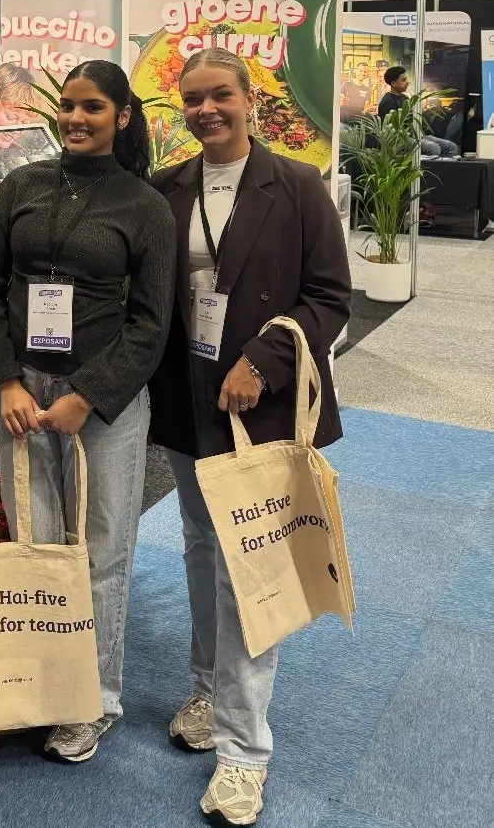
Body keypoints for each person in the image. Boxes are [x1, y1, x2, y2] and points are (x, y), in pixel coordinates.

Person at [149, 47, 351, 827]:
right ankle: (206, 688)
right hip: (186, 401)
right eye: (193, 100)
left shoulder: (298, 186)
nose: (207, 110)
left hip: (256, 407)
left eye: (221, 96)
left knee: (249, 568)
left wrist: (262, 362)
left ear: (251, 99)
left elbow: (332, 298)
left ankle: (244, 751)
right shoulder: (166, 188)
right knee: (200, 546)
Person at [0, 60, 175, 764]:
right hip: (23, 394)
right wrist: (6, 383)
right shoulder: (19, 187)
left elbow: (152, 324)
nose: (77, 119)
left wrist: (85, 397)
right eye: (69, 107)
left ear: (122, 116)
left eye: (93, 108)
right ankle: (33, 685)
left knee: (100, 551)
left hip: (103, 400)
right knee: (33, 541)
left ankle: (93, 701)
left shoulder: (145, 205)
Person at [377, 66, 458, 158]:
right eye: (403, 80)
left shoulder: (405, 98)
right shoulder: (387, 101)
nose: (407, 82)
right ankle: (425, 170)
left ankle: (443, 170)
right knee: (434, 148)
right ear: (393, 83)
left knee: (451, 147)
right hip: (399, 140)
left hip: (414, 135)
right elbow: (391, 130)